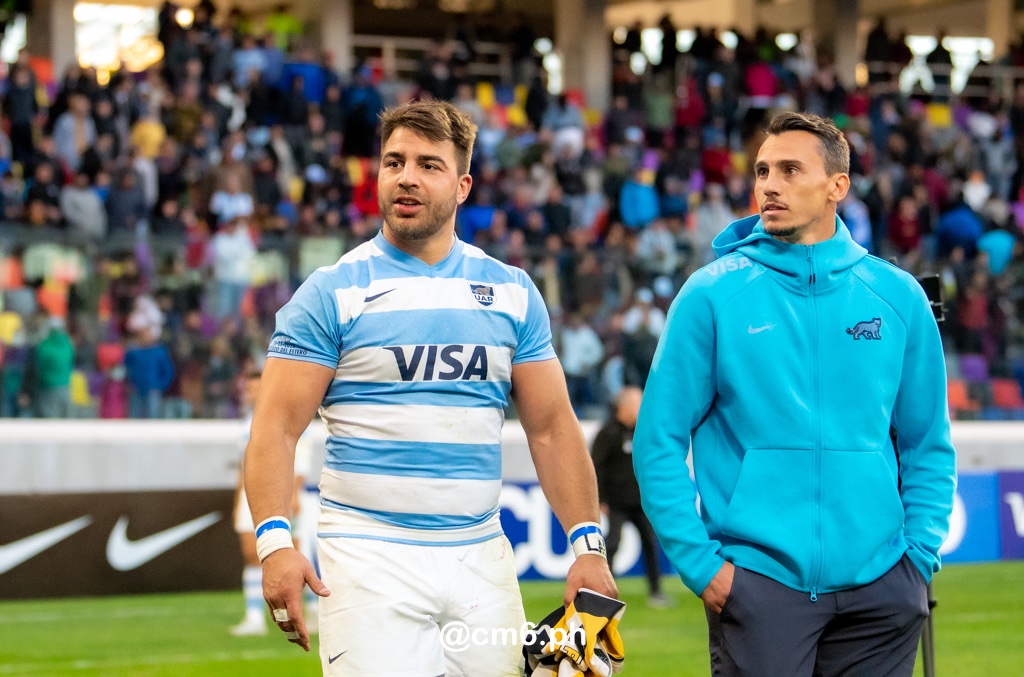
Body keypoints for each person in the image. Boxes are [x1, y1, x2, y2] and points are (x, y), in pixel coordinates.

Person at [243, 100, 617, 675]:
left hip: (481, 556)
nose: (406, 177)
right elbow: (275, 426)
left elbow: (551, 428)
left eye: (428, 164)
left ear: (463, 186)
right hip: (367, 556)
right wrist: (274, 544)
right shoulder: (330, 292)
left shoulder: (513, 292)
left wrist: (588, 548)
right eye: (394, 162)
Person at [632, 112, 957, 677]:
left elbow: (927, 441)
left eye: (789, 170)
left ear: (837, 186)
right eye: (762, 171)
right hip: (759, 587)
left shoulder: (897, 297)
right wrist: (705, 569)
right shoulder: (711, 295)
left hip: (883, 588)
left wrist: (919, 557)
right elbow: (657, 441)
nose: (769, 185)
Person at [229, 368, 312, 636]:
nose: (251, 393)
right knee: (251, 554)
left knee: (292, 553)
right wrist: (237, 501)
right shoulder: (246, 424)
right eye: (248, 388)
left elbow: (300, 459)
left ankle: (308, 609)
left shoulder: (289, 416)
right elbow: (242, 466)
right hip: (249, 495)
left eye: (256, 387)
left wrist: (294, 493)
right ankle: (254, 617)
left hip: (281, 493)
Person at [591, 386, 668, 608]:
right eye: (637, 404)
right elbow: (596, 467)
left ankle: (656, 591)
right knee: (612, 544)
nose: (640, 408)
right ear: (623, 407)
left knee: (650, 544)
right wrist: (600, 499)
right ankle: (605, 591)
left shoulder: (643, 432)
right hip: (616, 503)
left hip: (640, 502)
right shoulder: (607, 433)